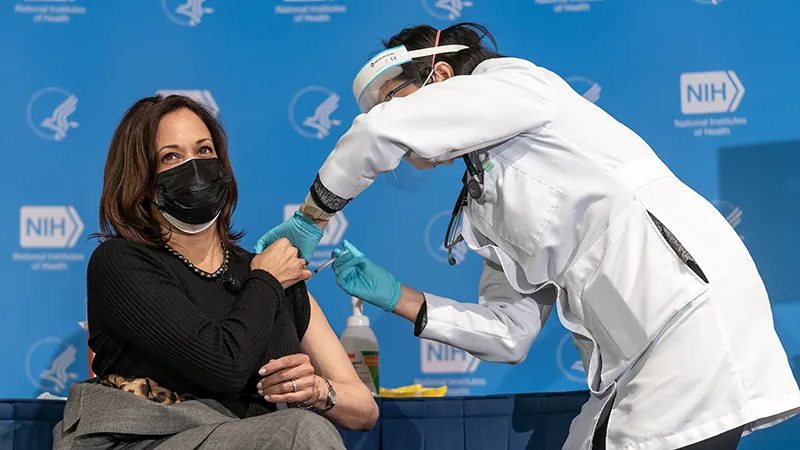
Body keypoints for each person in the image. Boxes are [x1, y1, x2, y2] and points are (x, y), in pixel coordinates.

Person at [255, 22, 800, 450]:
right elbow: (509, 333)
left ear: (440, 76)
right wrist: (399, 297)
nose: (390, 119)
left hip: (683, 309)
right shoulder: (484, 197)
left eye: (394, 99)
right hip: (633, 354)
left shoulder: (513, 83)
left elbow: (377, 131)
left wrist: (312, 217)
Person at [53, 95, 378, 450]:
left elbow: (364, 409)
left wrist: (316, 390)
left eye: (204, 150)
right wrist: (266, 280)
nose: (194, 167)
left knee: (298, 429)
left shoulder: (269, 271)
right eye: (171, 157)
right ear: (141, 179)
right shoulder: (121, 263)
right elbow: (224, 366)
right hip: (147, 438)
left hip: (253, 439)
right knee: (300, 432)